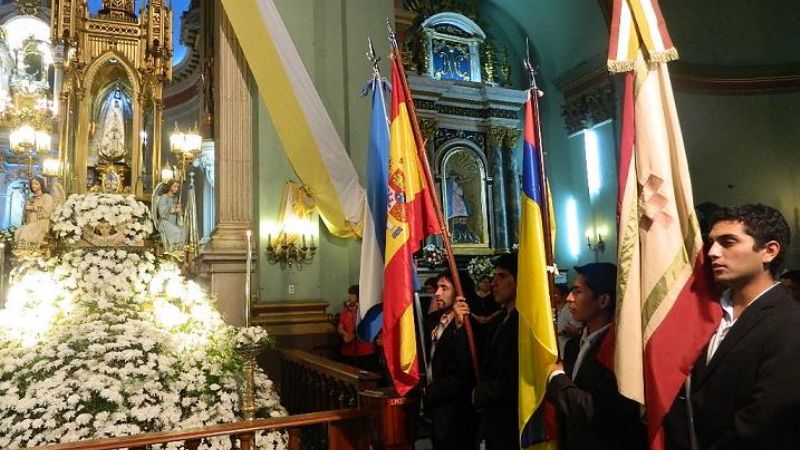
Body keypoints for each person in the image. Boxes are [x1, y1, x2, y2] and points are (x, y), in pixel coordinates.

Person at [666, 204, 800, 449]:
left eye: (728, 242)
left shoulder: (789, 322)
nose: (712, 253)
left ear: (769, 251)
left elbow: (765, 421)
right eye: (711, 242)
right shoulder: (706, 313)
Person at [546, 263, 647, 450]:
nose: (569, 299)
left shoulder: (620, 350)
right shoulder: (573, 345)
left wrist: (556, 378)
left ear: (603, 300)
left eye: (577, 292)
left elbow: (594, 409)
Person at [424, 269, 477, 450]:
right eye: (438, 287)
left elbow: (463, 369)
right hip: (436, 406)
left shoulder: (470, 325)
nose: (437, 293)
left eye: (444, 288)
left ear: (459, 293)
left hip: (456, 410)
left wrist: (459, 327)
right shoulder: (434, 319)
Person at [472, 253, 520, 449]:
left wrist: (481, 393)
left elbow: (513, 377)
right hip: (495, 419)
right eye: (493, 277)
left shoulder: (523, 323)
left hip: (511, 419)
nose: (494, 283)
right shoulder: (500, 320)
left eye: (502, 276)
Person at [336, 285, 377, 371]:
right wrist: (345, 334)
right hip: (348, 350)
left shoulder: (364, 310)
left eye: (352, 294)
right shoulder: (346, 311)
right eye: (349, 294)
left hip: (365, 351)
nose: (349, 297)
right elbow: (340, 327)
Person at [15, 176, 53, 247]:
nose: (33, 185)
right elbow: (26, 213)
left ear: (41, 185)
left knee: (26, 231)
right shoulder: (31, 198)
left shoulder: (47, 197)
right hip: (31, 223)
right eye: (32, 184)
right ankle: (22, 253)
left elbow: (47, 210)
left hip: (41, 223)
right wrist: (25, 208)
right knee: (18, 232)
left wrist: (32, 207)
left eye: (36, 183)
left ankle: (26, 252)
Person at [156, 179, 187, 251]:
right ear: (170, 187)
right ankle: (171, 250)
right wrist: (174, 210)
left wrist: (179, 211)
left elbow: (179, 216)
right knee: (177, 231)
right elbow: (161, 211)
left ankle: (178, 251)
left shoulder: (175, 199)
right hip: (164, 222)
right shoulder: (164, 197)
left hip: (173, 223)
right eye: (174, 186)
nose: (176, 188)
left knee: (183, 231)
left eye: (177, 187)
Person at [554, 283, 581, 356]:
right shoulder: (558, 310)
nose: (553, 295)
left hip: (570, 350)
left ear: (565, 295)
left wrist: (561, 332)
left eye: (556, 293)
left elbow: (576, 329)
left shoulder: (569, 310)